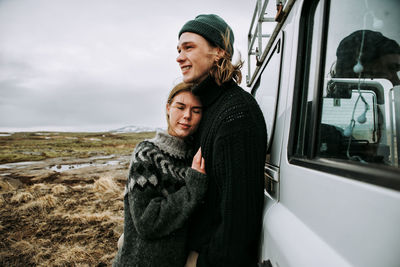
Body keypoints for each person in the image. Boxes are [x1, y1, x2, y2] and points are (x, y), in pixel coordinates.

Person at [176, 14, 267, 266]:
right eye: (179, 49)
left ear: (218, 52)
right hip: (188, 241)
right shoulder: (206, 108)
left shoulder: (236, 115)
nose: (179, 57)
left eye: (189, 47)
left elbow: (239, 221)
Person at [112, 82, 208, 267]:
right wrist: (193, 188)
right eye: (180, 107)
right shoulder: (147, 153)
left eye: (196, 110)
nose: (187, 116)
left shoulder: (195, 157)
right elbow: (147, 221)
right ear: (168, 108)